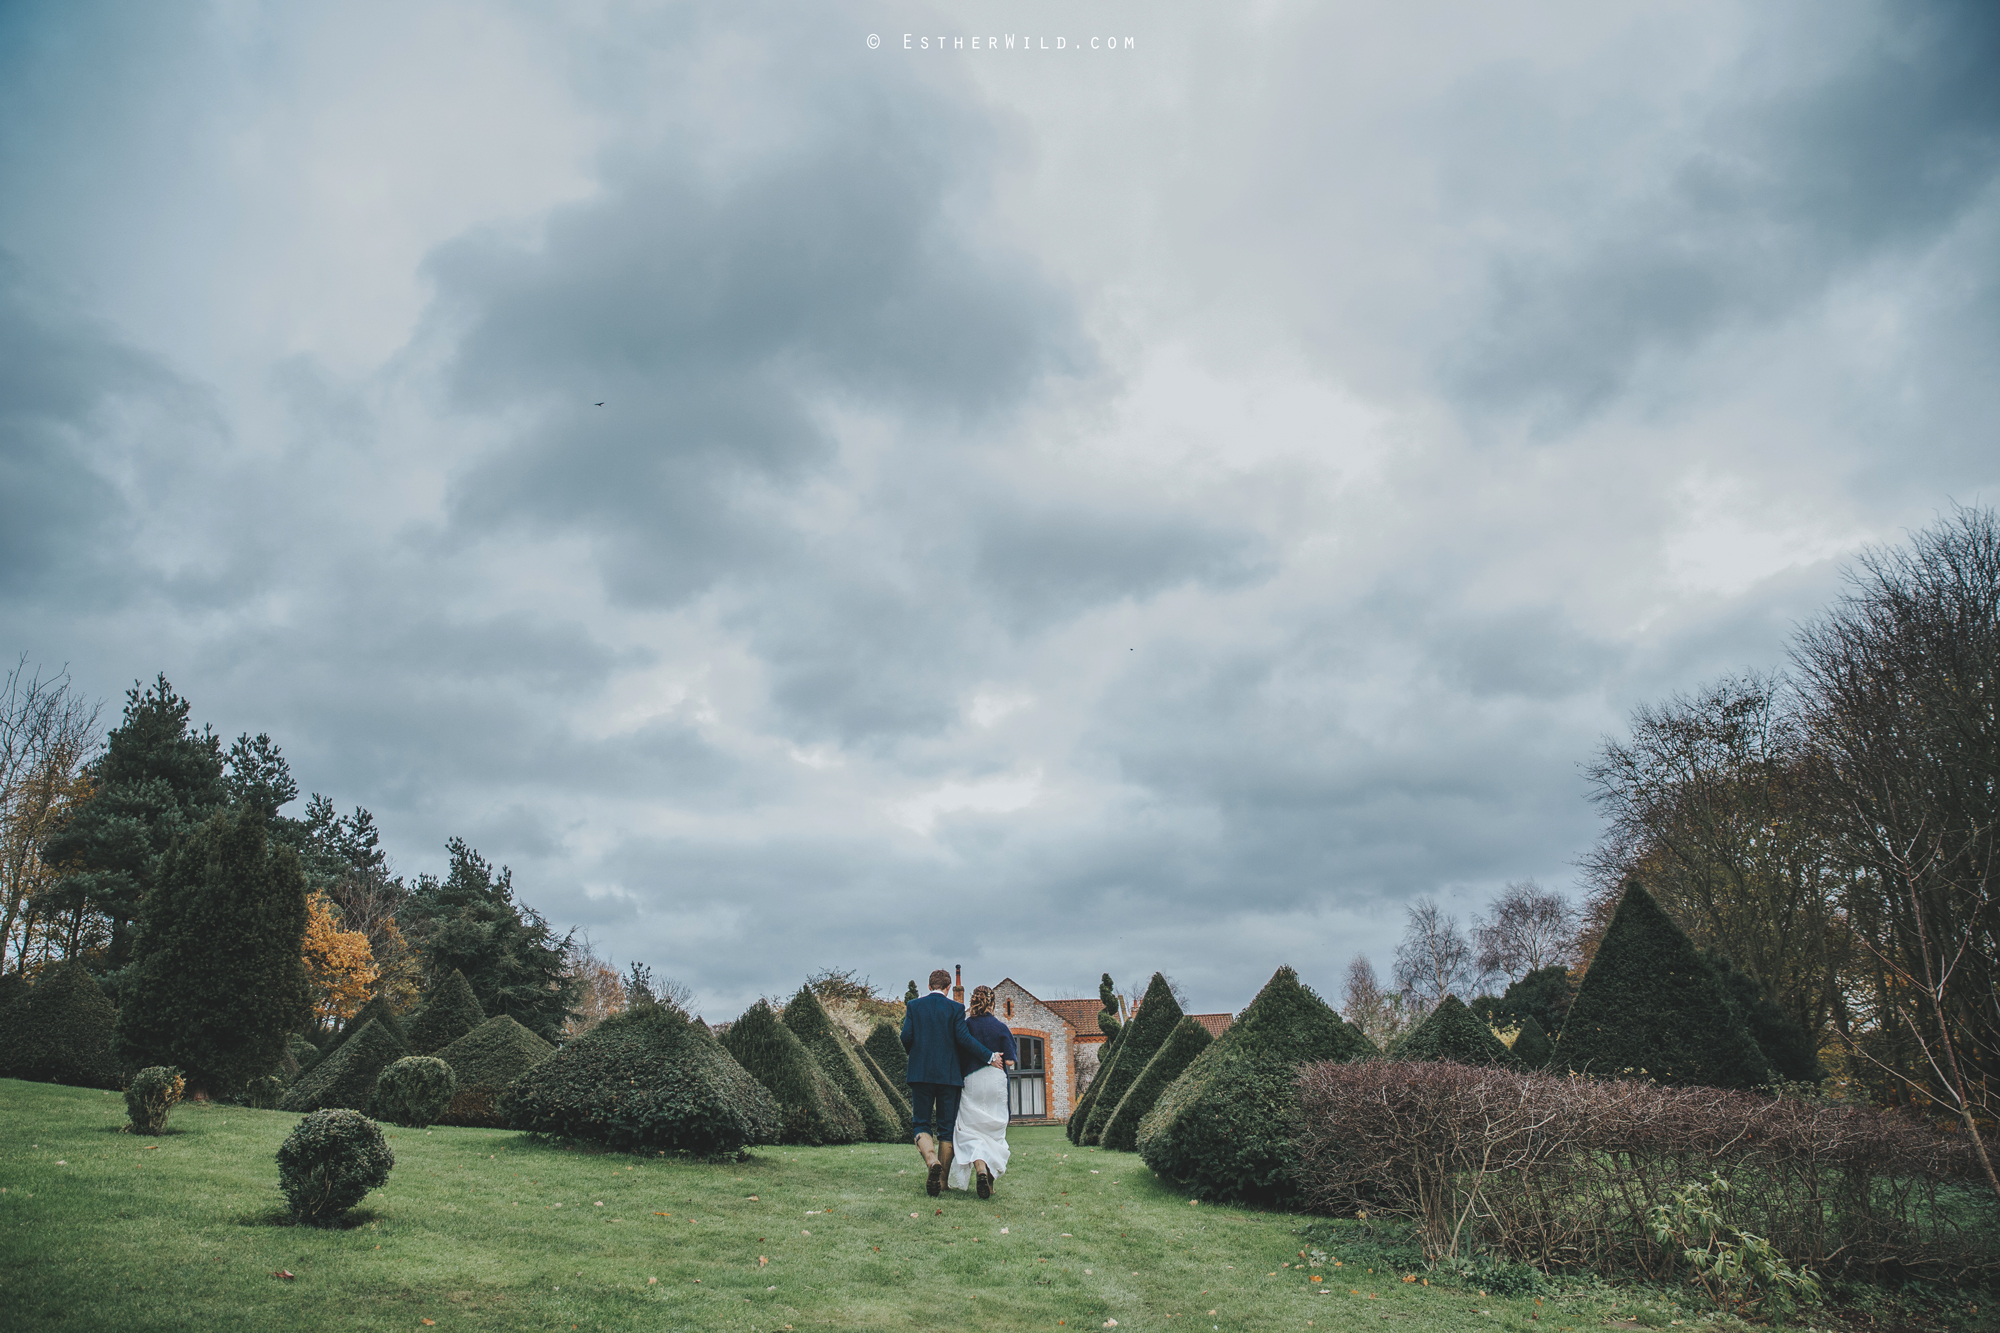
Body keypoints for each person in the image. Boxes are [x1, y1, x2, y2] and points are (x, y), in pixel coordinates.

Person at [901, 968, 1001, 1197]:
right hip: (949, 1077)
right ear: (947, 989)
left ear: (929, 986)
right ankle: (943, 1181)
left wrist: (916, 1055)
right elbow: (964, 1039)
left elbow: (905, 1037)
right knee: (947, 1130)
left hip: (920, 1074)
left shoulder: (914, 1006)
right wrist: (990, 1056)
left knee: (921, 1124)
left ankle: (931, 1160)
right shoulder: (955, 1009)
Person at [948, 984, 1018, 1199]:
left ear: (973, 1001)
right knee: (994, 1131)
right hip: (996, 1080)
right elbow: (1009, 1061)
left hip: (972, 1079)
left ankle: (979, 1166)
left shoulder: (965, 1026)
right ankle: (989, 1182)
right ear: (992, 1002)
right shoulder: (1001, 1027)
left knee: (970, 1129)